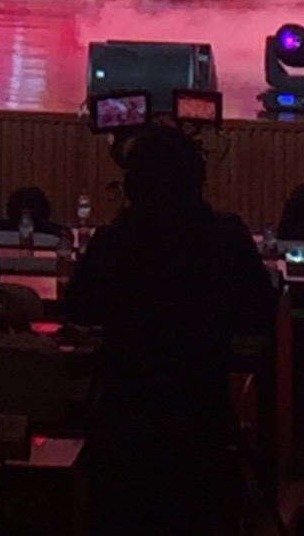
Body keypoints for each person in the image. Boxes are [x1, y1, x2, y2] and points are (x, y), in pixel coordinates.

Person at [63, 123, 277, 536]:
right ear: (198, 181)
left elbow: (78, 307)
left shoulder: (114, 240)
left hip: (126, 421)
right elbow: (257, 314)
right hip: (202, 419)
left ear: (132, 186)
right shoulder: (227, 238)